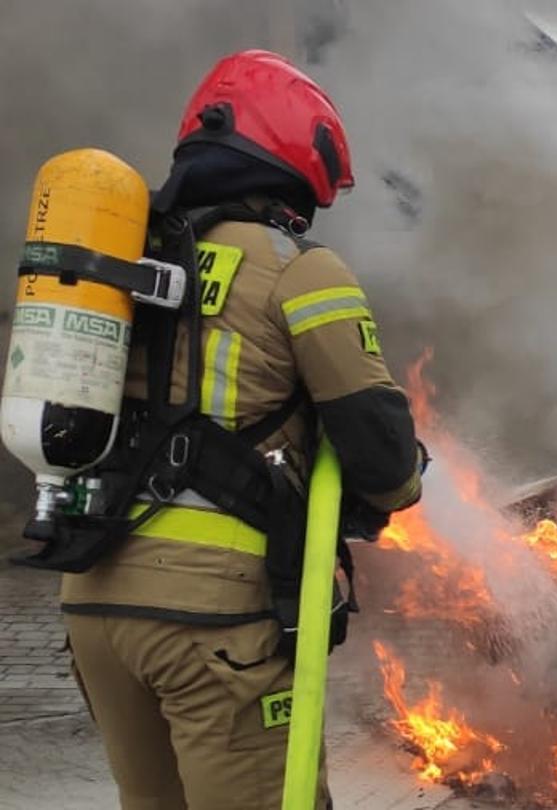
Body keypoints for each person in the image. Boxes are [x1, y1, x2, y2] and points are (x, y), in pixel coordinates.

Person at [59, 50, 423, 810]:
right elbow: (379, 444)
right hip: (213, 622)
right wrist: (393, 484)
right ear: (300, 160)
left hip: (92, 601)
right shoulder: (298, 268)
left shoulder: (123, 255)